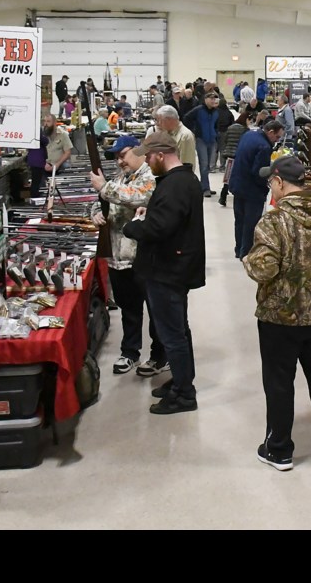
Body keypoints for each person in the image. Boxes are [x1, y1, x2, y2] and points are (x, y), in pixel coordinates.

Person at [242, 156, 311, 471]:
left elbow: (264, 268)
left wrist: (248, 260)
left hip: (280, 318)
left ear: (279, 182)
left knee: (279, 382)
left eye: (270, 182)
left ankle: (279, 449)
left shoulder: (274, 221)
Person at [122, 132, 205, 415]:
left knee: (173, 335)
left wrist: (132, 227)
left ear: (160, 155)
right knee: (178, 330)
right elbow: (168, 219)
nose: (146, 160)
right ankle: (181, 382)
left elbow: (159, 229)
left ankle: (184, 394)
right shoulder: (181, 180)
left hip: (167, 270)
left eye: (148, 156)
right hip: (173, 267)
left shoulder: (175, 186)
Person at [89, 135, 167, 376]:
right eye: (116, 157)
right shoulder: (120, 178)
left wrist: (104, 188)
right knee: (129, 310)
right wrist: (95, 213)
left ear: (139, 151)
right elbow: (101, 202)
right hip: (118, 258)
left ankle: (159, 356)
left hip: (143, 258)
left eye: (122, 155)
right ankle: (130, 352)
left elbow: (138, 196)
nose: (120, 161)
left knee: (156, 312)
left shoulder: (150, 177)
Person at [230, 119, 285, 258]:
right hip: (252, 190)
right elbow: (259, 172)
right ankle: (246, 253)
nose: (277, 141)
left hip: (238, 183)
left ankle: (238, 249)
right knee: (251, 222)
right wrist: (268, 185)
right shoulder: (264, 146)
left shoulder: (249, 134)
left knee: (240, 219)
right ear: (270, 132)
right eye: (277, 137)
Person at [182, 90, 220, 197]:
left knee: (208, 166)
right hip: (201, 140)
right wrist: (193, 131)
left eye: (214, 98)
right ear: (206, 99)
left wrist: (216, 134)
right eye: (211, 98)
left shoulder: (216, 112)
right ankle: (205, 188)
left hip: (212, 140)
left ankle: (205, 185)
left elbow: (216, 124)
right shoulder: (198, 110)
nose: (213, 100)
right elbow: (186, 118)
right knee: (203, 165)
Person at [218, 112, 251, 207]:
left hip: (229, 154)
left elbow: (226, 140)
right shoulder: (245, 130)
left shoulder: (231, 127)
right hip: (238, 155)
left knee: (227, 176)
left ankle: (223, 196)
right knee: (238, 175)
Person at [152, 105, 198, 170]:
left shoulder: (185, 136)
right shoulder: (167, 133)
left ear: (169, 120)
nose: (158, 124)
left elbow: (186, 165)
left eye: (160, 120)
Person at [26, 131, 50, 199]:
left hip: (33, 160)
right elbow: (46, 141)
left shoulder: (30, 136)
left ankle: (35, 194)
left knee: (35, 180)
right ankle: (34, 196)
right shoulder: (37, 136)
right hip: (37, 161)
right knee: (36, 181)